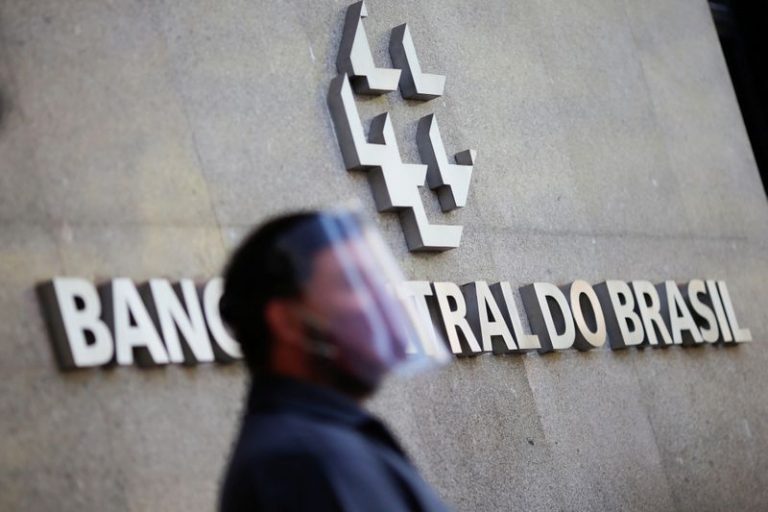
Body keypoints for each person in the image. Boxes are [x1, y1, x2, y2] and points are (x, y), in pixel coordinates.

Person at [217, 209, 452, 512]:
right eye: (353, 283)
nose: (383, 301)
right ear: (288, 321)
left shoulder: (324, 438)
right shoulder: (298, 464)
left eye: (378, 282)